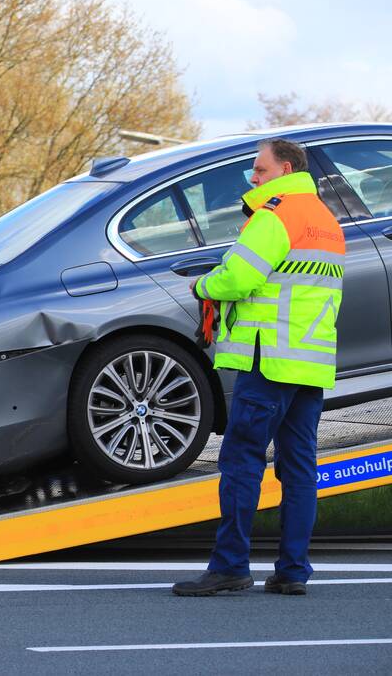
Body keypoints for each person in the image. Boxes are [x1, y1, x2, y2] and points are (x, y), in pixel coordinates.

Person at [172, 138, 345, 597]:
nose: (254, 177)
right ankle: (293, 572)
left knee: (241, 462)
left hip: (268, 361)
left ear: (285, 168)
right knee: (300, 468)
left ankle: (230, 567)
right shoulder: (327, 222)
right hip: (309, 364)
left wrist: (203, 286)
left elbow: (238, 278)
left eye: (260, 169)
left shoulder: (275, 215)